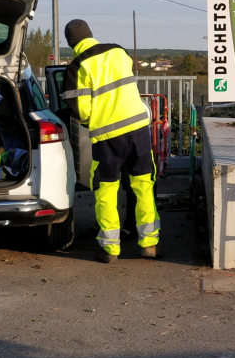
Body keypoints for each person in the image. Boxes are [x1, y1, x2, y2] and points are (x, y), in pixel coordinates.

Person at [60, 19, 160, 263]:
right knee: (143, 185)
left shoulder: (76, 67)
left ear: (71, 42)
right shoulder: (118, 51)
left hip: (107, 137)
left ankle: (111, 249)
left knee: (106, 190)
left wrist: (91, 121)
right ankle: (149, 245)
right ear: (90, 34)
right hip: (138, 128)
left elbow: (81, 111)